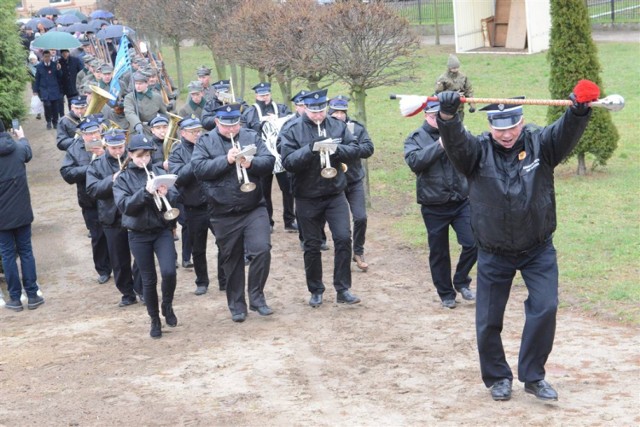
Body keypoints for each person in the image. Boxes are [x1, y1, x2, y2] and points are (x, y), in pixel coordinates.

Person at [435, 84, 594, 402]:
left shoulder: (541, 144)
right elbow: (455, 143)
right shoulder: (476, 152)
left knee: (545, 308)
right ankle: (497, 378)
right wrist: (448, 117)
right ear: (490, 126)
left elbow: (565, 132)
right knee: (488, 319)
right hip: (494, 252)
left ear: (521, 123)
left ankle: (534, 376)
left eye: (512, 127)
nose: (506, 134)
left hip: (538, 248)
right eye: (498, 128)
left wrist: (578, 110)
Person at [191, 104, 275, 322]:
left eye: (235, 125)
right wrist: (226, 160)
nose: (232, 130)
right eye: (227, 125)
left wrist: (252, 163)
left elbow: (269, 161)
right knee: (232, 259)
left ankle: (257, 297)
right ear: (217, 122)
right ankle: (237, 305)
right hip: (223, 210)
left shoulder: (250, 136)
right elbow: (199, 169)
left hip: (253, 205)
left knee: (262, 249)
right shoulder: (205, 141)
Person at [280, 89, 362, 308]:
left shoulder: (337, 125)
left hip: (335, 193)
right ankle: (316, 289)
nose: (318, 115)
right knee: (312, 245)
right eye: (314, 111)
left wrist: (336, 150)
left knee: (344, 238)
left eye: (321, 111)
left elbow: (355, 149)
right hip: (306, 196)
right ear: (305, 108)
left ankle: (343, 288)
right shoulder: (292, 129)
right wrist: (311, 149)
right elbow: (287, 161)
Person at [403, 99, 477, 308]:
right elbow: (415, 162)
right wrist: (440, 145)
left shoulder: (457, 131)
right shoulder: (416, 138)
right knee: (439, 251)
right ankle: (446, 294)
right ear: (426, 115)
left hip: (461, 200)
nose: (440, 120)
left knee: (474, 242)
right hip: (433, 204)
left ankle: (461, 280)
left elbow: (472, 154)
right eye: (436, 116)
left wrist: (461, 138)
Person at [112, 134, 179, 339]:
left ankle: (166, 305)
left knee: (169, 272)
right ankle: (154, 319)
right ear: (130, 155)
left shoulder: (159, 171)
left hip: (161, 230)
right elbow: (125, 206)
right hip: (138, 234)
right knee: (148, 280)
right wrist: (145, 192)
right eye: (139, 156)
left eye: (147, 155)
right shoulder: (122, 179)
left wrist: (167, 193)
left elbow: (176, 198)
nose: (144, 160)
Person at [169, 116, 226, 295]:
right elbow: (178, 178)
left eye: (198, 131)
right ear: (183, 133)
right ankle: (202, 281)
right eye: (193, 132)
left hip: (215, 203)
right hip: (194, 206)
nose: (197, 134)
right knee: (198, 248)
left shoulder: (209, 144)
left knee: (224, 243)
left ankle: (224, 279)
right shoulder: (177, 152)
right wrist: (196, 161)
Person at [86, 129, 143, 307]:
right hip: (111, 217)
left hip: (133, 214)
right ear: (106, 145)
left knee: (141, 255)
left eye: (120, 147)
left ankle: (141, 289)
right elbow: (92, 190)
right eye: (114, 148)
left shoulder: (135, 158)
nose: (118, 151)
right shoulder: (96, 165)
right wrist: (112, 179)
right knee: (119, 259)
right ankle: (127, 292)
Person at [60, 115, 112, 284]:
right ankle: (103, 269)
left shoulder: (109, 144)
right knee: (98, 236)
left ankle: (118, 265)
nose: (94, 136)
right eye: (89, 134)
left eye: (96, 132)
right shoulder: (74, 150)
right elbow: (67, 174)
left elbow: (122, 165)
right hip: (89, 200)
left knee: (115, 234)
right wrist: (89, 168)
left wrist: (105, 156)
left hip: (110, 198)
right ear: (82, 135)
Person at [0, 121, 44, 312]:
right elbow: (28, 151)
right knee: (26, 252)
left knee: (8, 255)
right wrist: (22, 136)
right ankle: (33, 295)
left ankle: (15, 298)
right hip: (22, 212)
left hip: (1, 218)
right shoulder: (18, 148)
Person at [328, 95, 374, 272]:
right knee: (340, 224)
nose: (339, 115)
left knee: (361, 217)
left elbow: (368, 148)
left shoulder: (356, 128)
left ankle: (358, 251)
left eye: (342, 112)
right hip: (333, 183)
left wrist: (348, 150)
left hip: (353, 180)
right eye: (335, 112)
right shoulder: (324, 129)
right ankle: (343, 253)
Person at [242, 82, 294, 232]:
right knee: (264, 191)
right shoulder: (250, 112)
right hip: (262, 156)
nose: (264, 97)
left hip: (281, 155)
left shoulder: (281, 108)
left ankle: (289, 220)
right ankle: (268, 222)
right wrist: (260, 124)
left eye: (266, 94)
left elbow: (290, 124)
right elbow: (246, 133)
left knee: (288, 189)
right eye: (261, 95)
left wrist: (277, 120)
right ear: (256, 95)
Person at [124, 71, 167, 137]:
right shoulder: (130, 97)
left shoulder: (156, 97)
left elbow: (165, 113)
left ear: (147, 83)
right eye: (136, 84)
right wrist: (137, 124)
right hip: (136, 131)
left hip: (154, 130)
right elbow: (129, 112)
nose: (138, 86)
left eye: (140, 84)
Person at [434, 54, 476, 122]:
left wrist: (472, 105)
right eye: (453, 68)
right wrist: (453, 94)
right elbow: (438, 93)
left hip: (459, 108)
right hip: (447, 109)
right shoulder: (442, 79)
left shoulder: (463, 77)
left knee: (459, 127)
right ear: (449, 68)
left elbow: (469, 91)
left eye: (457, 67)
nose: (455, 69)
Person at [34, 50, 63, 130]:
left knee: (55, 107)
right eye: (45, 56)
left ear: (51, 57)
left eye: (48, 56)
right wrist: (35, 90)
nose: (47, 58)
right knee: (47, 106)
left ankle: (55, 122)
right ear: (43, 57)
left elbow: (60, 76)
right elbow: (37, 79)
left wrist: (59, 69)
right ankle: (48, 121)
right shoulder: (39, 66)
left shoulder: (54, 65)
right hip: (44, 90)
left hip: (54, 89)